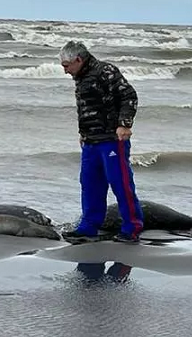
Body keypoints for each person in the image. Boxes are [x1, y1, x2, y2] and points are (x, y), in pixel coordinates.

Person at [58, 40, 144, 243]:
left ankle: (132, 228)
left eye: (66, 66)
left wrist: (125, 124)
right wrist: (83, 133)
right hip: (91, 141)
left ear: (78, 60)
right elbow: (87, 108)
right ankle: (88, 227)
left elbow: (129, 96)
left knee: (120, 183)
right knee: (89, 184)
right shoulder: (81, 76)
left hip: (112, 139)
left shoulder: (105, 71)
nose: (65, 71)